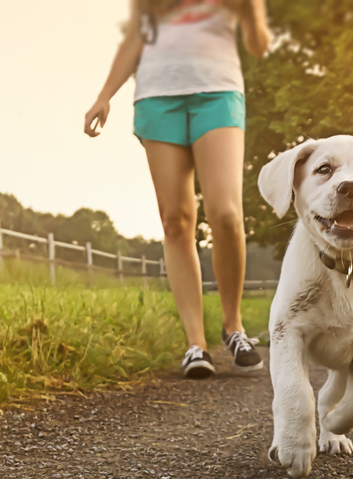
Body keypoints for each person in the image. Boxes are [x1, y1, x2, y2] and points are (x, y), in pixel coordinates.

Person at [84, 0, 272, 378]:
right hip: (156, 98)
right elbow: (135, 37)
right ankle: (195, 344)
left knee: (226, 214)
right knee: (176, 220)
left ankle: (233, 327)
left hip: (218, 93)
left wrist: (252, 13)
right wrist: (105, 94)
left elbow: (258, 46)